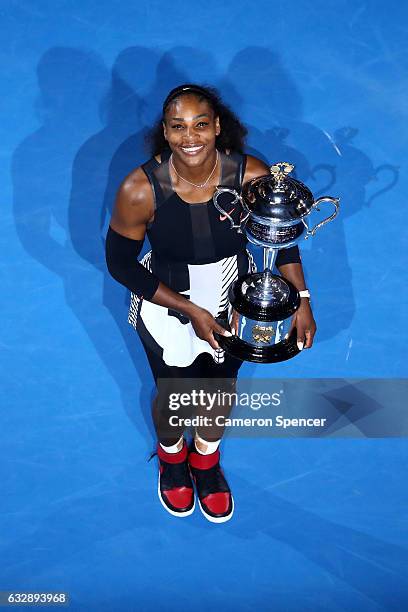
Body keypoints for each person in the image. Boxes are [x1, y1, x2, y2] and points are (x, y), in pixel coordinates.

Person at [105, 84, 316, 523]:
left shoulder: (250, 175)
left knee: (219, 389)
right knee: (173, 394)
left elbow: (280, 238)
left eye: (201, 124)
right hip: (164, 302)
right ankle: (171, 457)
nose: (191, 136)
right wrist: (191, 311)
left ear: (218, 127)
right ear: (165, 131)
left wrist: (300, 299)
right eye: (178, 126)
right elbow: (121, 265)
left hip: (235, 300)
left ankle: (205, 460)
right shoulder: (139, 188)